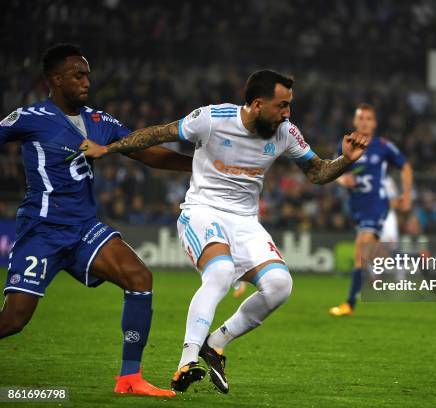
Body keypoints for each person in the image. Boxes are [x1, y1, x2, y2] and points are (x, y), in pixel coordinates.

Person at [79, 69, 369, 394]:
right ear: (258, 104)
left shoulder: (285, 132)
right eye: (282, 105)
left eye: (289, 106)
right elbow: (159, 133)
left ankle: (215, 344)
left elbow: (317, 173)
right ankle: (186, 362)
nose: (287, 113)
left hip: (245, 222)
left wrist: (345, 159)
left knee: (280, 285)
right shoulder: (213, 119)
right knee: (220, 271)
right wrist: (110, 149)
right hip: (202, 211)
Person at [0, 44, 194, 397]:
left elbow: (143, 150)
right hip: (42, 230)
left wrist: (194, 166)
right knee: (14, 320)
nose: (87, 81)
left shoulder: (99, 121)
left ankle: (129, 379)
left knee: (139, 277)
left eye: (87, 74)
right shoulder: (29, 118)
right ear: (56, 79)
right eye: (78, 74)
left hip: (84, 228)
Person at [329, 104, 412, 316]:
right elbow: (332, 170)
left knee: (361, 250)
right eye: (361, 118)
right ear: (355, 122)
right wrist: (342, 179)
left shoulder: (383, 146)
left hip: (377, 205)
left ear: (374, 123)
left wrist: (407, 195)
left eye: (369, 118)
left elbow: (405, 166)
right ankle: (416, 260)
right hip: (357, 207)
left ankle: (349, 304)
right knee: (374, 255)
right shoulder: (346, 144)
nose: (365, 121)